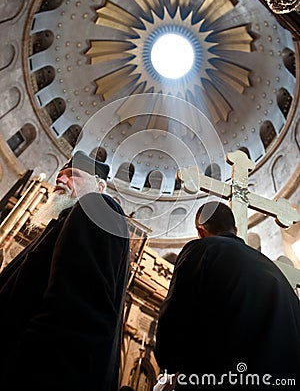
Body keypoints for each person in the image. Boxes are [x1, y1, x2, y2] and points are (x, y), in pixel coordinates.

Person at [0, 150, 130, 391]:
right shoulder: (66, 223)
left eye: (72, 175)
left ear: (100, 187)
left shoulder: (97, 207)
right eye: (60, 174)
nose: (59, 179)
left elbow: (75, 322)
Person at [154, 201, 300, 390]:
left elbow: (175, 317)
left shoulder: (201, 250)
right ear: (236, 230)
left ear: (200, 231)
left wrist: (168, 363)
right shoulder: (272, 268)